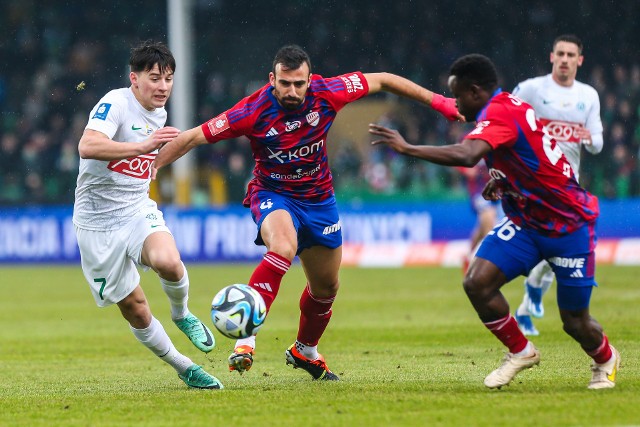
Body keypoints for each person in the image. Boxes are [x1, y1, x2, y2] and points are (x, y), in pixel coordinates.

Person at [153, 44, 462, 381]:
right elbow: (194, 137)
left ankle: (305, 350)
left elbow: (385, 80)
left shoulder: (329, 92)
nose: (292, 91)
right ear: (272, 79)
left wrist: (441, 102)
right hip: (273, 194)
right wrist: (150, 166)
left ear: (309, 79)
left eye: (299, 83)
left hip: (319, 200)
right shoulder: (252, 110)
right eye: (285, 83)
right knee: (283, 246)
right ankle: (247, 338)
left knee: (326, 288)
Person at [369, 53, 620, 390]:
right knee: (477, 282)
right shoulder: (506, 106)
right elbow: (530, 155)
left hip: (568, 224)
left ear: (475, 92)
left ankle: (605, 358)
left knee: (575, 322)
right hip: (527, 223)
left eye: (457, 95)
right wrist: (504, 180)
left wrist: (408, 148)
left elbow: (468, 154)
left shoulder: (498, 112)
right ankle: (521, 350)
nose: (456, 104)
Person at [73, 40, 222, 390]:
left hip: (136, 209)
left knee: (168, 262)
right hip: (96, 225)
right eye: (155, 78)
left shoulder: (159, 112)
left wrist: (151, 162)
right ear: (134, 79)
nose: (163, 87)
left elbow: (153, 151)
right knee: (135, 309)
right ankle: (182, 365)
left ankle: (182, 313)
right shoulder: (115, 103)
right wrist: (141, 148)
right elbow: (87, 146)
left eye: (169, 79)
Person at [512, 34, 604, 336]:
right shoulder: (532, 89)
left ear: (580, 60)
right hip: (534, 184)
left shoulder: (588, 95)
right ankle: (532, 293)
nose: (564, 59)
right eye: (560, 53)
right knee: (559, 246)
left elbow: (598, 145)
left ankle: (528, 303)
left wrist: (587, 136)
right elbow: (506, 117)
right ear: (552, 56)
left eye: (570, 55)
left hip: (569, 187)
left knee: (560, 250)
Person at [456, 160, 502, 273]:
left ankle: (468, 256)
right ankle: (488, 262)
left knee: (482, 226)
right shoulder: (467, 141)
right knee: (488, 217)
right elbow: (457, 154)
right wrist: (465, 169)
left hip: (495, 186)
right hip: (478, 189)